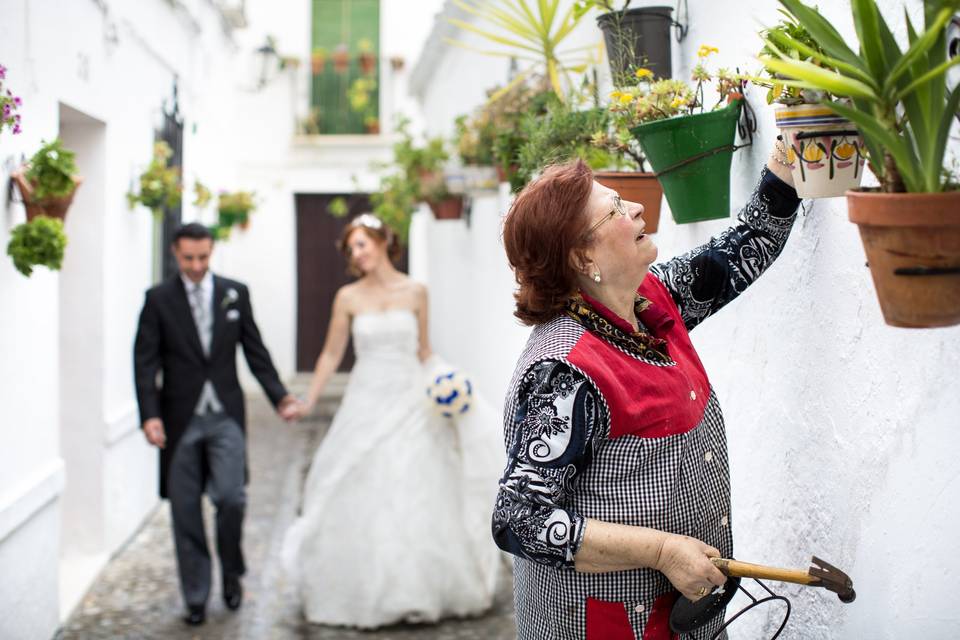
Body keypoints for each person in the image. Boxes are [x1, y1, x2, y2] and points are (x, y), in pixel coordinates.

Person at [493, 143, 801, 639]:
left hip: (679, 609)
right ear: (582, 256)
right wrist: (661, 551)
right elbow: (518, 518)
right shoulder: (564, 372)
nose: (636, 206)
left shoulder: (647, 301)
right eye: (614, 209)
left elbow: (746, 246)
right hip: (607, 622)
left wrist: (790, 157)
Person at [281, 213, 501, 628]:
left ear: (382, 242)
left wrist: (445, 379)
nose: (356, 254)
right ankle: (363, 587)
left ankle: (418, 586)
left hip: (411, 398)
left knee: (414, 483)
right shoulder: (347, 297)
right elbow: (331, 353)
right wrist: (309, 399)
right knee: (357, 481)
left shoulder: (416, 291)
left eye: (361, 244)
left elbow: (423, 349)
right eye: (351, 249)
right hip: (366, 398)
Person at [133, 223, 300, 626]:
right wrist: (150, 414)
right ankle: (195, 595)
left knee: (231, 498)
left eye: (203, 257)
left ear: (211, 252)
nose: (196, 265)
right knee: (185, 511)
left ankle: (231, 570)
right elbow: (144, 361)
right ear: (176, 253)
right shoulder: (158, 300)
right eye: (188, 258)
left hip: (225, 414)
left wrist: (279, 395)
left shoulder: (234, 292)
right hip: (178, 419)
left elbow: (254, 350)